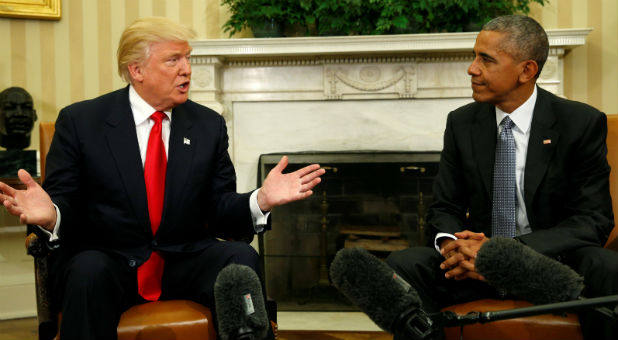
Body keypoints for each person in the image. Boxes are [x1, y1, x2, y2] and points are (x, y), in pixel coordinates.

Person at [0, 17, 324, 340]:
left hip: (181, 260)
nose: (187, 69)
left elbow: (220, 209)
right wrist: (52, 215)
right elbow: (66, 200)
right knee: (87, 271)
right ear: (136, 70)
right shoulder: (82, 122)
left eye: (188, 58)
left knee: (239, 259)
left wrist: (260, 201)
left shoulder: (207, 126)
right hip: (109, 261)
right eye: (173, 60)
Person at [386, 15, 616, 339]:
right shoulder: (461, 123)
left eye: (486, 60)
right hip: (473, 269)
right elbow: (444, 207)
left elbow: (593, 220)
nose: (472, 68)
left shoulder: (579, 123)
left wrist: (501, 253)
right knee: (403, 266)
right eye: (475, 56)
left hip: (547, 265)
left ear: (526, 70)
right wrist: (455, 247)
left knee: (606, 268)